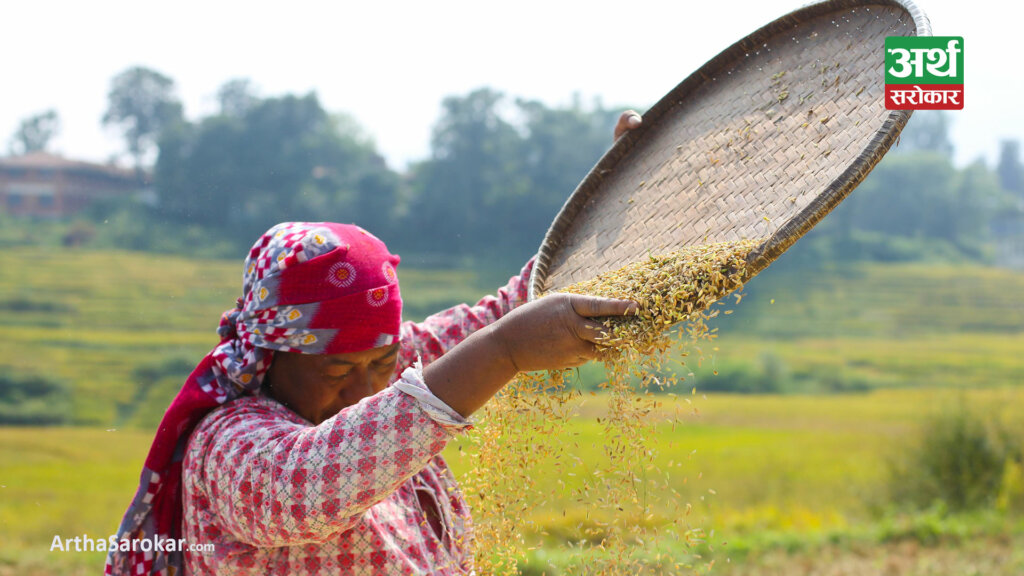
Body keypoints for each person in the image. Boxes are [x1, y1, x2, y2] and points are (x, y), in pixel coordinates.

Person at [106, 112, 643, 576]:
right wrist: (503, 352)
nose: (365, 392)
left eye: (381, 361)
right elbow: (303, 488)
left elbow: (513, 308)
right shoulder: (227, 444)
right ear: (271, 355)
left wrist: (618, 192)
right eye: (338, 373)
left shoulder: (396, 368)